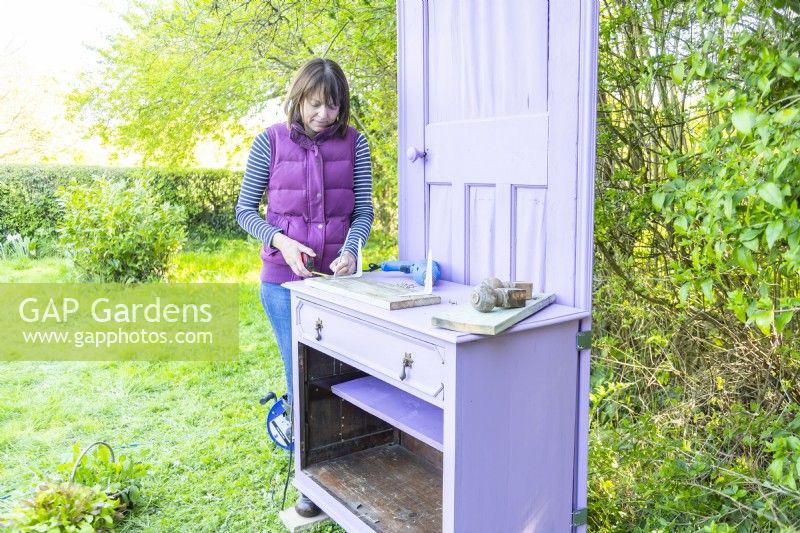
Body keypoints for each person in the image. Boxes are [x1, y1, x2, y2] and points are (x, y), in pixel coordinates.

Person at [235, 58, 373, 517]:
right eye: (315, 105)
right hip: (283, 285)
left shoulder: (356, 143)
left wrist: (352, 250)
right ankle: (310, 486)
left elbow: (364, 211)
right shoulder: (269, 141)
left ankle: (351, 467)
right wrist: (279, 240)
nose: (324, 116)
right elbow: (244, 212)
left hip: (337, 285)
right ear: (298, 99)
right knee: (301, 378)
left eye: (332, 106)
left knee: (346, 374)